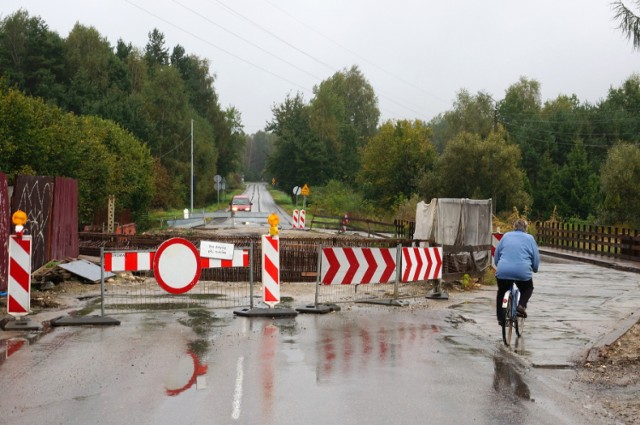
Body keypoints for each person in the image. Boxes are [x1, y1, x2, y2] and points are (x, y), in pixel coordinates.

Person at [494, 218, 540, 325]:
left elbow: (497, 255)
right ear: (525, 228)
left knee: (502, 291)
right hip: (522, 272)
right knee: (528, 288)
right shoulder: (530, 238)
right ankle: (521, 306)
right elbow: (535, 259)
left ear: (514, 227)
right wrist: (535, 269)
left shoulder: (506, 236)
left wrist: (499, 266)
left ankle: (501, 318)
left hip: (503, 270)